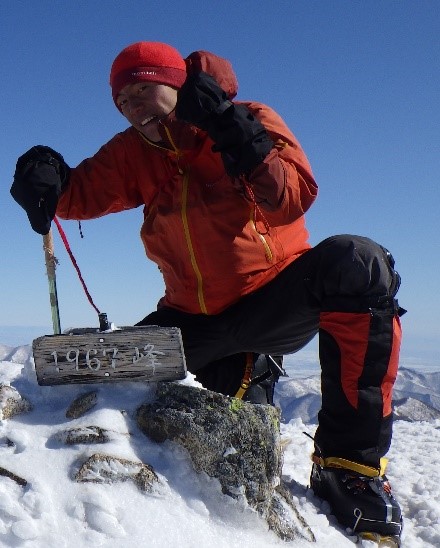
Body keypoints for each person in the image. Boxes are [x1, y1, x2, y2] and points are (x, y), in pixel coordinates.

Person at [11, 41, 404, 540]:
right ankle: (236, 376)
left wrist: (229, 129)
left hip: (272, 298)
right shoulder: (135, 151)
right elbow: (80, 193)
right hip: (191, 318)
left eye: (142, 90)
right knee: (100, 365)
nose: (132, 106)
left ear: (173, 83)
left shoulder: (247, 117)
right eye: (122, 100)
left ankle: (348, 467)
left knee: (358, 262)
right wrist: (44, 172)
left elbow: (289, 200)